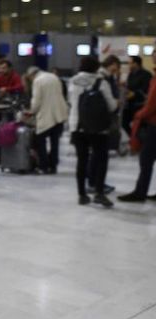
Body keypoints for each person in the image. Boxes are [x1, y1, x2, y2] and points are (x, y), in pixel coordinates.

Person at [68, 56, 118, 207]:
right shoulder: (101, 83)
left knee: (82, 160)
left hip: (77, 126)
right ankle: (99, 192)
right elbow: (111, 106)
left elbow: (71, 102)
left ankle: (82, 195)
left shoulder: (72, 82)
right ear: (96, 68)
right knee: (101, 159)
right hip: (98, 128)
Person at [118, 50, 156, 203]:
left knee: (146, 159)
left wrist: (139, 115)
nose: (153, 56)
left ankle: (140, 192)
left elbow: (152, 103)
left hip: (153, 123)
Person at [26, 66, 69, 174]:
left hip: (46, 115)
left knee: (41, 141)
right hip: (59, 114)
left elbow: (36, 99)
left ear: (32, 75)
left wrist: (31, 111)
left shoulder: (37, 80)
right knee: (55, 143)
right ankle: (53, 166)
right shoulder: (54, 77)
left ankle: (43, 166)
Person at [123, 56, 152, 135]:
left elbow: (146, 90)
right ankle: (132, 138)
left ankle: (140, 143)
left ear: (136, 64)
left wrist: (134, 94)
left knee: (140, 127)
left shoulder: (146, 74)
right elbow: (129, 86)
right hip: (129, 104)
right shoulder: (131, 74)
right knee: (124, 123)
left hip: (140, 105)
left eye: (130, 63)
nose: (129, 65)